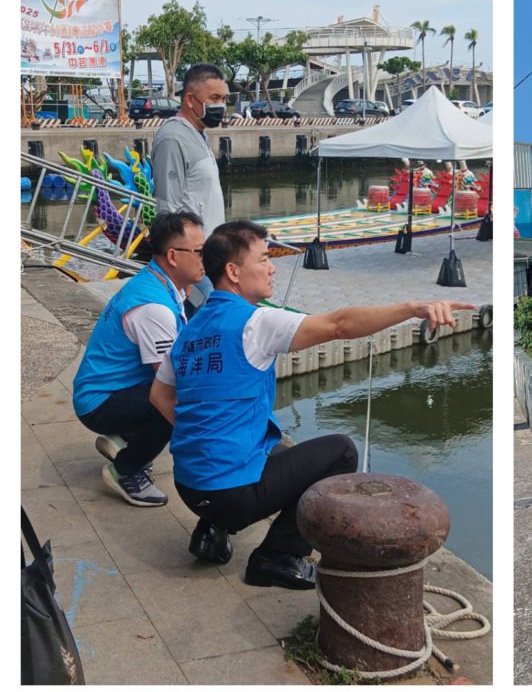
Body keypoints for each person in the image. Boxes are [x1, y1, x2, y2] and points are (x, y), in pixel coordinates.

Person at [149, 220, 472, 589]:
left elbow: (159, 396)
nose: (272, 268)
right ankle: (277, 557)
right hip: (231, 494)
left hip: (189, 486)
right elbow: (339, 325)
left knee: (259, 445)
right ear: (234, 271)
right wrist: (414, 308)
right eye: (265, 259)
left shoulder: (189, 328)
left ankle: (211, 533)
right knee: (339, 452)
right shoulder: (256, 322)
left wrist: (203, 438)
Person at [72, 212, 206, 507]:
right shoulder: (153, 306)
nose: (205, 258)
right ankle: (124, 470)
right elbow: (170, 384)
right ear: (173, 255)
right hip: (99, 401)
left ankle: (124, 439)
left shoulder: (159, 282)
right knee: (176, 403)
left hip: (108, 389)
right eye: (199, 252)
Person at [152, 63, 229, 308]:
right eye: (214, 98)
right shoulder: (173, 138)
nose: (221, 106)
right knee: (211, 316)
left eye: (224, 98)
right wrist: (180, 275)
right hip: (192, 262)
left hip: (209, 258)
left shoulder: (198, 134)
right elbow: (168, 208)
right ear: (190, 99)